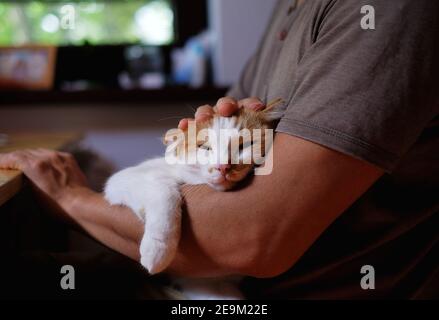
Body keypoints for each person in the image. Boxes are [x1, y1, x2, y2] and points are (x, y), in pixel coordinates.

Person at [0, 0, 438, 299]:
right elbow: (227, 126)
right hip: (194, 278)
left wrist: (70, 198)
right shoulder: (292, 8)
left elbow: (249, 240)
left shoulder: (385, 13)